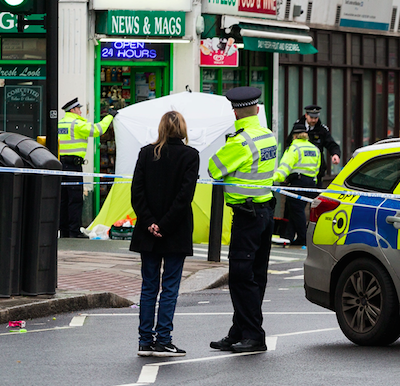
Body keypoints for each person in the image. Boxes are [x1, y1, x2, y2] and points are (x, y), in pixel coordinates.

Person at [208, 87, 278, 353]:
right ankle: (239, 331)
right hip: (265, 212)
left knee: (239, 275)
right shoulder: (268, 136)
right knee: (255, 275)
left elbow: (214, 168)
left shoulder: (240, 142)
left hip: (247, 216)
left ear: (235, 112)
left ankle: (254, 335)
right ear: (257, 110)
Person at [130, 111, 198, 357]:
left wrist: (150, 222)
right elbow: (184, 196)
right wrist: (166, 225)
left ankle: (144, 341)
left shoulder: (146, 153)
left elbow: (137, 191)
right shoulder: (190, 156)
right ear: (182, 129)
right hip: (175, 231)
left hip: (147, 231)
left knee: (149, 286)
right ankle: (164, 340)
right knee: (169, 287)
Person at [58, 98, 114, 238]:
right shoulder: (76, 124)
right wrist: (110, 116)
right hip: (73, 166)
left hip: (60, 165)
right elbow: (97, 130)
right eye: (78, 109)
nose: (81, 111)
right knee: (75, 199)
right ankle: (74, 231)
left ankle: (64, 231)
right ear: (73, 110)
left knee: (63, 199)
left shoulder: (60, 124)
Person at [273, 123, 322, 245]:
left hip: (298, 182)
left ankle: (303, 238)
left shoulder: (294, 148)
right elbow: (317, 168)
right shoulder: (314, 149)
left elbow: (285, 167)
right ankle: (289, 236)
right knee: (294, 209)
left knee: (297, 210)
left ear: (294, 136)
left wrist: (274, 179)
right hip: (311, 183)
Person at [290, 105, 341, 182]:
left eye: (316, 118)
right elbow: (289, 144)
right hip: (298, 171)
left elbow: (331, 144)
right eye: (311, 117)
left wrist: (335, 154)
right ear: (306, 115)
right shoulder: (298, 128)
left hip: (317, 172)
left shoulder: (321, 130)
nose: (313, 120)